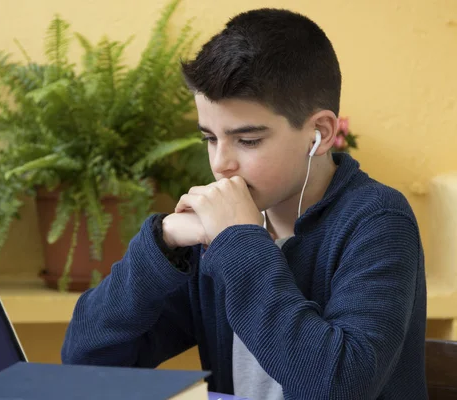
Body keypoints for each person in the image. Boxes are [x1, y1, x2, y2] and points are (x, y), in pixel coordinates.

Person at [62, 8, 427, 399]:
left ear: (319, 134)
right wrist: (162, 245)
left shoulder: (377, 221)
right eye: (210, 137)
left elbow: (336, 387)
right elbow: (87, 359)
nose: (221, 163)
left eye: (248, 140)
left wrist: (240, 241)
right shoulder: (218, 230)